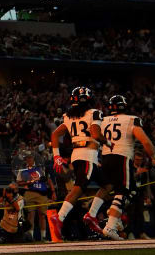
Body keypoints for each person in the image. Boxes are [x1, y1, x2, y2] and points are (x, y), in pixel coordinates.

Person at [87, 95, 155, 241]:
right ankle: (111, 225)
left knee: (129, 191)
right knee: (123, 192)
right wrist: (154, 158)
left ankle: (112, 214)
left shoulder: (103, 120)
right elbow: (145, 141)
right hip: (122, 157)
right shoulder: (131, 119)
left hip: (106, 157)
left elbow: (94, 138)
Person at [48, 86, 104, 241]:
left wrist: (56, 156)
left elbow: (55, 135)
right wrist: (108, 142)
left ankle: (91, 215)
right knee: (79, 188)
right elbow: (95, 134)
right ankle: (59, 218)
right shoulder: (94, 113)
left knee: (108, 184)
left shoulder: (68, 116)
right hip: (88, 154)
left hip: (77, 154)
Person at [15, 153, 50, 241]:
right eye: (27, 158)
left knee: (42, 215)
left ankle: (43, 237)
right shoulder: (22, 170)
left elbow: (46, 179)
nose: (29, 160)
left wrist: (52, 191)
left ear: (33, 158)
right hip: (29, 192)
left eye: (30, 158)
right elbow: (18, 182)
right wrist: (28, 182)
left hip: (41, 193)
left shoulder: (40, 168)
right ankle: (31, 237)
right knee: (31, 215)